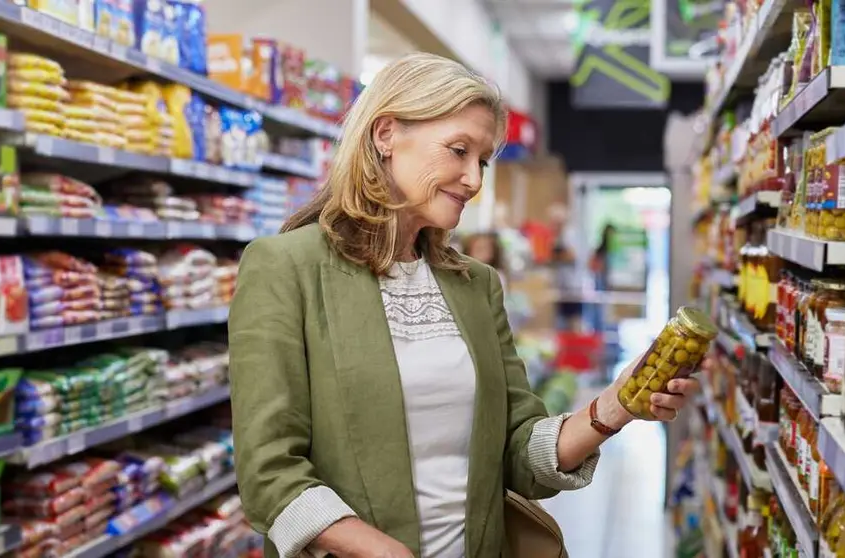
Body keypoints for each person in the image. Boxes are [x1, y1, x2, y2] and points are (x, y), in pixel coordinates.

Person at [228, 52, 701, 558]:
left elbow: (518, 450)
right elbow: (269, 472)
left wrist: (614, 406)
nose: (474, 180)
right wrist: (382, 550)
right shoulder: (285, 268)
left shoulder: (474, 284)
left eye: (482, 160)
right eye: (458, 150)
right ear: (386, 133)